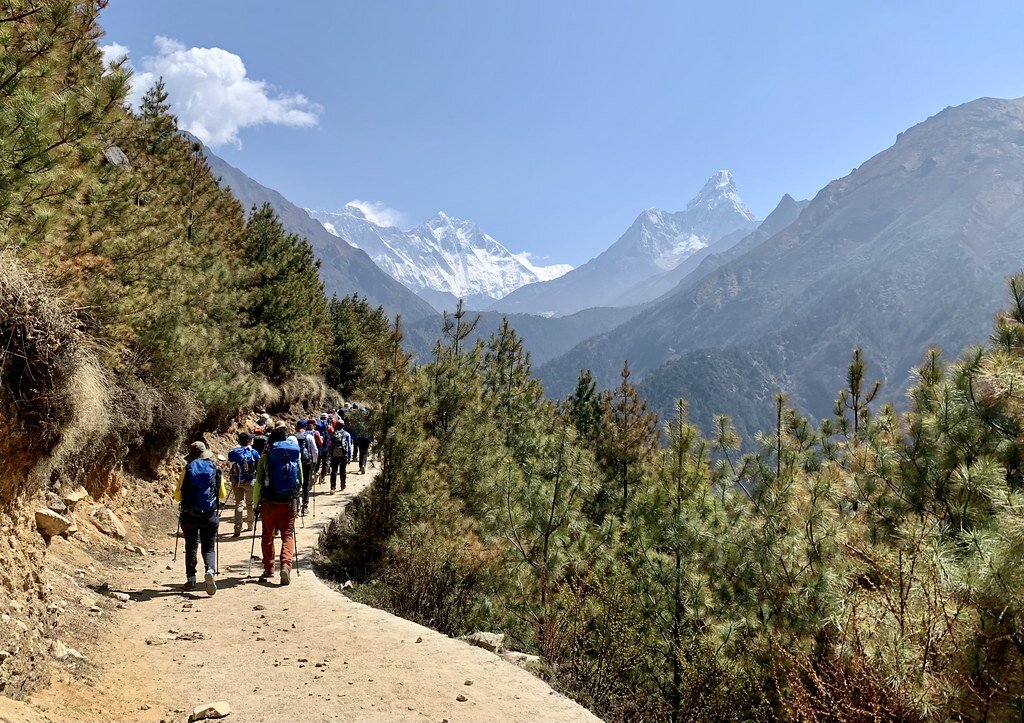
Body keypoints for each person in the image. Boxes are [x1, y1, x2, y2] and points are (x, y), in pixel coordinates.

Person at [252, 422, 303, 586]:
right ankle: (286, 567)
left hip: (269, 503)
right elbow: (300, 480)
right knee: (287, 535)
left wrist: (255, 504)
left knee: (268, 535)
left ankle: (269, 568)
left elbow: (259, 482)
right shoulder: (294, 455)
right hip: (289, 502)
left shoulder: (266, 457)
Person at [175, 441, 228, 595]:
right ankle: (210, 570)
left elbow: (178, 496)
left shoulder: (187, 470)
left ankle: (191, 579)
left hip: (189, 515)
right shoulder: (215, 469)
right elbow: (222, 494)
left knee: (191, 546)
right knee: (208, 546)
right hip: (210, 515)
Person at [227, 432, 260, 537]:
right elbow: (258, 465)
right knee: (250, 504)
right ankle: (250, 525)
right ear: (249, 441)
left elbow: (230, 462)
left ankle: (237, 527)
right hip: (250, 481)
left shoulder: (233, 452)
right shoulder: (254, 452)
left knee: (239, 503)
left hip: (237, 481)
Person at [293, 419, 317, 515]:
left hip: (296, 463)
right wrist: (314, 462)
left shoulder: (292, 437)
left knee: (296, 483)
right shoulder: (309, 436)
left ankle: (296, 506)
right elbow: (315, 450)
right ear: (305, 427)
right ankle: (305, 506)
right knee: (306, 484)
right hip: (307, 463)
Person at [328, 420, 352, 492]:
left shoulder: (332, 434)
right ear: (343, 426)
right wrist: (349, 456)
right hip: (343, 454)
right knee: (343, 470)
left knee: (334, 471)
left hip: (334, 455)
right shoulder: (347, 434)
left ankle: (332, 487)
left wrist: (330, 454)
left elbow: (329, 445)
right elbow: (349, 446)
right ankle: (342, 485)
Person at [352, 406, 372, 474]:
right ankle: (363, 465)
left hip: (360, 438)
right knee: (365, 452)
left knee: (361, 452)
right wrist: (372, 439)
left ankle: (360, 466)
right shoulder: (369, 422)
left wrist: (355, 438)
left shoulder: (358, 422)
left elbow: (355, 431)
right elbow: (371, 431)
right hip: (367, 438)